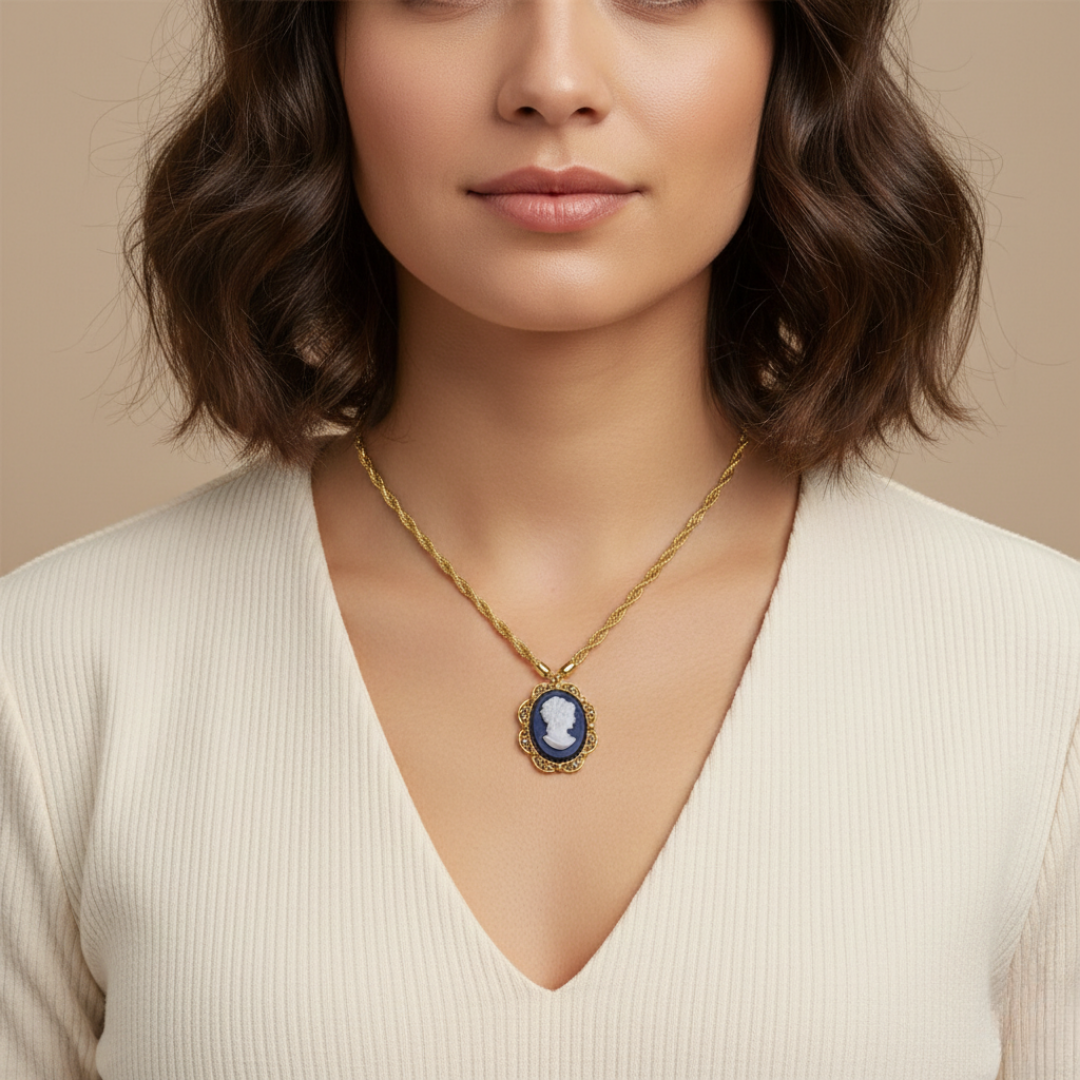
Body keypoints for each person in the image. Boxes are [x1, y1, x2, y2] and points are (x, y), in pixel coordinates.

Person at [1, 0, 1077, 1076]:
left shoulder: (1044, 675)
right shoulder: (50, 677)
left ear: (790, 54)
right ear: (315, 50)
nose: (553, 81)